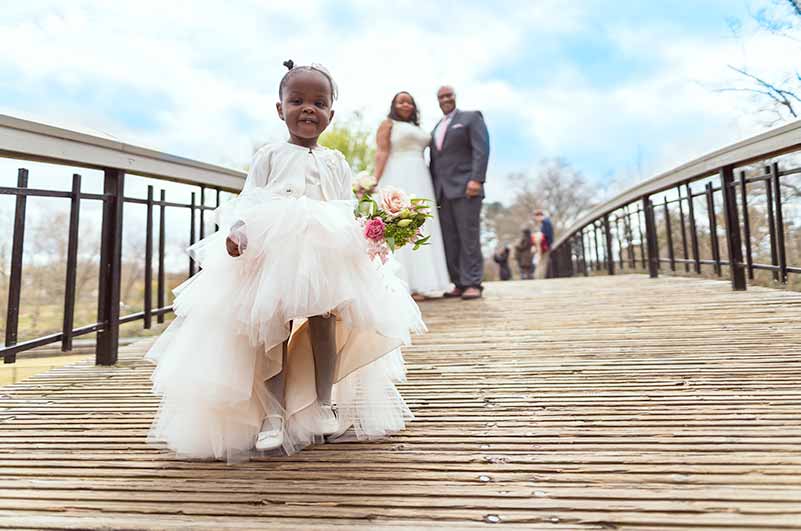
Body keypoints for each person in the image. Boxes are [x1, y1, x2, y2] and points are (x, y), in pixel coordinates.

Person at [146, 61, 425, 462]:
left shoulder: (336, 161)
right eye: (297, 101)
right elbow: (250, 199)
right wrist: (239, 231)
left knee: (325, 322)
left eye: (319, 102)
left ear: (331, 113)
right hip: (274, 250)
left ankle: (324, 400)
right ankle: (272, 414)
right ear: (280, 109)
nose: (307, 109)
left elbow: (345, 206)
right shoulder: (270, 155)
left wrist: (371, 236)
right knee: (272, 326)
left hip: (327, 252)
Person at [374, 92, 450, 300]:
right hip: (398, 172)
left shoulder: (419, 128)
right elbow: (381, 152)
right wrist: (374, 180)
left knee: (423, 222)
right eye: (401, 101)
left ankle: (426, 281)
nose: (405, 104)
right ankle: (405, 283)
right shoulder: (388, 124)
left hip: (421, 176)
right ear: (393, 105)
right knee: (402, 222)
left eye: (409, 101)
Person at [429, 86, 490, 300]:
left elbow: (481, 149)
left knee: (468, 237)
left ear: (455, 97)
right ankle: (458, 282)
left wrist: (477, 179)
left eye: (448, 95)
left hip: (466, 187)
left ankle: (473, 283)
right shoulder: (436, 127)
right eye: (441, 97)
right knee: (449, 239)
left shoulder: (471, 118)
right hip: (442, 192)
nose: (445, 99)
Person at [534, 210, 554, 279]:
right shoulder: (546, 222)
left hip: (545, 246)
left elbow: (547, 235)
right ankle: (539, 277)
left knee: (542, 262)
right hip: (545, 246)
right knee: (542, 262)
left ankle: (539, 277)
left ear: (539, 216)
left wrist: (540, 238)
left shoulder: (546, 223)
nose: (536, 219)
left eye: (536, 217)